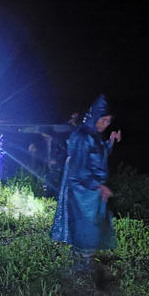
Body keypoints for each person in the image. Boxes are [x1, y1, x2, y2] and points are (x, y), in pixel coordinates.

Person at [50, 94, 122, 275]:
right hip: (82, 189)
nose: (106, 124)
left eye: (108, 121)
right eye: (103, 120)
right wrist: (97, 186)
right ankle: (80, 266)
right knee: (86, 224)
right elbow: (79, 168)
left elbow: (98, 155)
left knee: (91, 224)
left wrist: (111, 141)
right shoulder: (82, 136)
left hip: (90, 188)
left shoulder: (93, 134)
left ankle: (83, 262)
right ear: (94, 116)